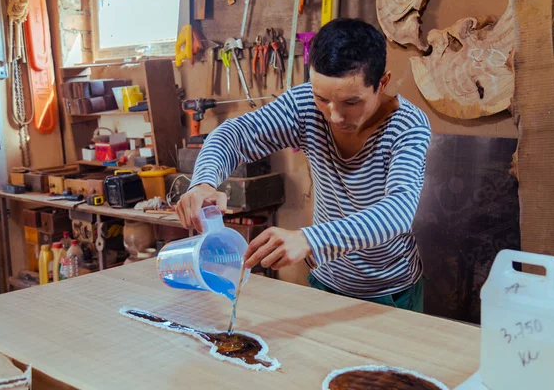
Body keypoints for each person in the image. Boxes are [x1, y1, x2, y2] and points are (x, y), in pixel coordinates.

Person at [176, 18, 431, 312]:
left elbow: (397, 212)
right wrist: (204, 181)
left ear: (382, 83)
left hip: (391, 291)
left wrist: (310, 239)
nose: (334, 116)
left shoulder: (408, 126)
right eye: (322, 98)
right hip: (326, 283)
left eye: (351, 102)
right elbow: (233, 135)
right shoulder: (305, 106)